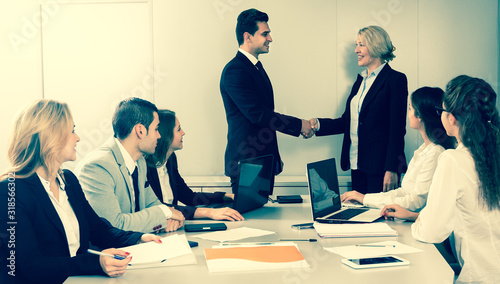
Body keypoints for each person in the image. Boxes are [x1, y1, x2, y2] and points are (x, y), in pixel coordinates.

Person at [0, 100, 163, 284]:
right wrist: (96, 262)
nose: (77, 137)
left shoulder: (68, 180)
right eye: (71, 130)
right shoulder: (10, 191)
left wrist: (138, 239)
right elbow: (30, 265)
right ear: (50, 136)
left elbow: (99, 229)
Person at [384, 75, 500, 282]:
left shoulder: (453, 159)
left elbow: (431, 232)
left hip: (479, 277)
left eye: (443, 111)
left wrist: (420, 221)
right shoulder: (491, 156)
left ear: (452, 118)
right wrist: (417, 216)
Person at [220, 8, 314, 193]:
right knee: (250, 220)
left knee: (262, 217)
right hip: (248, 163)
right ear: (248, 37)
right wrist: (299, 125)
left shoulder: (254, 67)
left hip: (261, 161)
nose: (270, 38)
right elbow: (257, 115)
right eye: (265, 33)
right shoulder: (235, 70)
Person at [311, 26, 408, 194]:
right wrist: (317, 125)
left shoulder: (395, 80)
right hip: (356, 164)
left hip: (381, 169)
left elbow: (397, 129)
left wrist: (392, 169)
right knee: (359, 216)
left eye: (361, 45)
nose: (356, 50)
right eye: (357, 45)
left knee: (378, 217)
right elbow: (347, 122)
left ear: (376, 46)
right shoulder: (360, 81)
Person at [75, 98, 185, 233]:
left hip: (138, 245)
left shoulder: (140, 161)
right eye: (156, 129)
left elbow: (152, 204)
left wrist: (167, 218)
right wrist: (165, 213)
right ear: (140, 131)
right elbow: (115, 225)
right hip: (110, 252)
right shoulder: (97, 166)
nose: (159, 135)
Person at [341, 87, 454, 213]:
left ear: (420, 116)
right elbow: (403, 192)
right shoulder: (423, 150)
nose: (408, 113)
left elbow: (416, 202)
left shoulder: (435, 153)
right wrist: (363, 198)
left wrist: (364, 199)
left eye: (410, 108)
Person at [146, 110, 244, 221]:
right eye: (178, 129)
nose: (183, 132)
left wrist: (225, 196)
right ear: (166, 134)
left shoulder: (170, 160)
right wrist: (209, 212)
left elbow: (189, 197)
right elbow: (159, 208)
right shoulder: (145, 167)